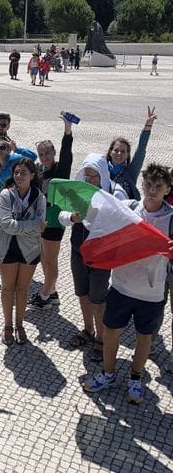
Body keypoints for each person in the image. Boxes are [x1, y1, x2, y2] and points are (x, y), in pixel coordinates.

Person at [80, 163, 173, 404]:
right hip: (121, 286)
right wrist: (74, 212)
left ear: (167, 189)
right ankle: (108, 374)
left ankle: (135, 377)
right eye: (149, 184)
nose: (152, 190)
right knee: (111, 331)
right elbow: (97, 218)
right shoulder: (129, 209)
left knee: (144, 338)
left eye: (158, 186)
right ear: (142, 185)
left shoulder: (172, 220)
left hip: (151, 293)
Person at [0, 158, 44, 345]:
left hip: (29, 249)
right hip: (6, 248)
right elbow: (7, 225)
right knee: (7, 288)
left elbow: (39, 226)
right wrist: (32, 224)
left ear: (32, 175)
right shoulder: (6, 194)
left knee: (23, 289)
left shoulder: (39, 197)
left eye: (23, 172)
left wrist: (23, 225)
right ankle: (7, 325)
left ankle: (19, 324)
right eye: (16, 172)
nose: (19, 176)